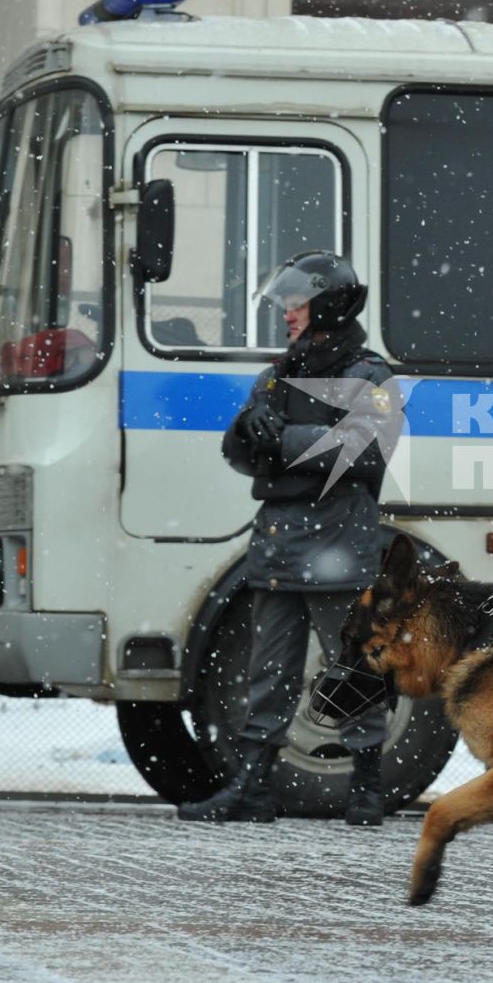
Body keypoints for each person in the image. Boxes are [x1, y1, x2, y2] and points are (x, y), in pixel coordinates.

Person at [176, 251, 402, 826]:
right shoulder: (277, 373)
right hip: (279, 544)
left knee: (349, 667)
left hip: (338, 548)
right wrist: (248, 432)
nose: (287, 314)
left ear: (328, 302)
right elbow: (240, 454)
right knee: (267, 673)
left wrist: (282, 441)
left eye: (296, 303)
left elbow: (365, 450)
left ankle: (367, 790)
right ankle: (251, 789)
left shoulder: (367, 373)